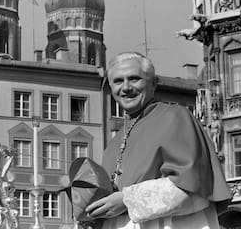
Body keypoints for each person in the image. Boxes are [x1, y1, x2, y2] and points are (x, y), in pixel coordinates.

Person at [85, 52, 232, 229]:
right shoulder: (114, 142)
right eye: (118, 81)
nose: (126, 88)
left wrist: (128, 200)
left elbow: (192, 189)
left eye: (134, 79)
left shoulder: (175, 117)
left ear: (153, 83)